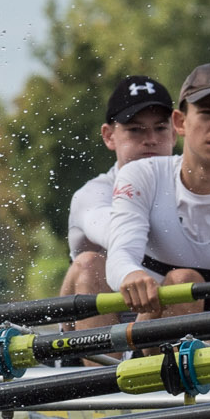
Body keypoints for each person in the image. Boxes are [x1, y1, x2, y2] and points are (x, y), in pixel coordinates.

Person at [106, 62, 210, 317]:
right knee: (184, 280)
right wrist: (130, 273)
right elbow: (120, 254)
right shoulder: (142, 175)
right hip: (153, 328)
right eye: (208, 112)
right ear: (180, 122)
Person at [60, 74, 177, 330]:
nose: (151, 139)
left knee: (183, 278)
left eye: (160, 128)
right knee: (89, 263)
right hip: (93, 329)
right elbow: (122, 232)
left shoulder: (191, 188)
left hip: (153, 319)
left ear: (175, 133)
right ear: (108, 136)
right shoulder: (92, 194)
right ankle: (104, 366)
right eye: (135, 130)